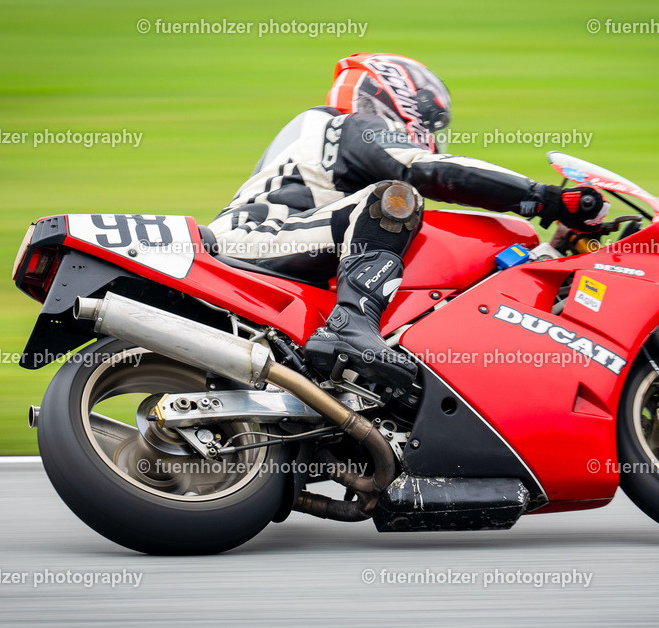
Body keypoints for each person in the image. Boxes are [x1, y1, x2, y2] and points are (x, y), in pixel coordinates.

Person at [206, 53, 609, 390]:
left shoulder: (328, 148)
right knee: (394, 200)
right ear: (396, 100)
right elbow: (426, 169)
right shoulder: (348, 127)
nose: (430, 137)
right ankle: (351, 328)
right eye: (430, 125)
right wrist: (545, 199)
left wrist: (551, 251)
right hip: (250, 240)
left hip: (275, 245)